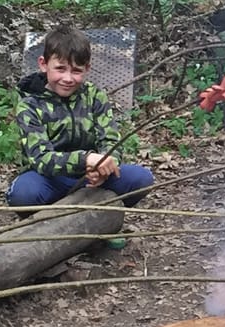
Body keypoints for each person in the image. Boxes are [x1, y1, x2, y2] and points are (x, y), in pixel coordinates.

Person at [10, 26, 156, 207]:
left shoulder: (95, 96)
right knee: (23, 194)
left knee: (141, 178)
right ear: (43, 64)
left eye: (76, 71)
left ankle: (103, 209)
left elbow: (111, 141)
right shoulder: (30, 104)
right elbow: (40, 158)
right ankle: (50, 216)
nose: (68, 78)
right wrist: (85, 159)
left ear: (87, 69)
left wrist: (103, 167)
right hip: (50, 179)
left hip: (90, 176)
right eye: (60, 69)